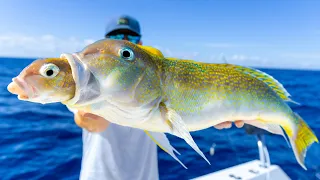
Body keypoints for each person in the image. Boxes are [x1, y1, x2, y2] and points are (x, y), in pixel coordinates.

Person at [73, 15, 245, 180]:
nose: (123, 42)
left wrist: (211, 111)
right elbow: (93, 124)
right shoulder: (87, 84)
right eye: (116, 37)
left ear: (140, 44)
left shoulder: (156, 79)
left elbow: (182, 106)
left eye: (130, 40)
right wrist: (89, 112)